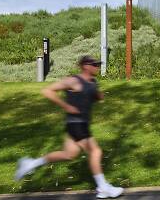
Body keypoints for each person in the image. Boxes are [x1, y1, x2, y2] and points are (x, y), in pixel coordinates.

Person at [14, 56, 124, 199]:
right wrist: (66, 106)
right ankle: (103, 187)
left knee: (69, 154)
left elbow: (91, 95)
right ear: (85, 66)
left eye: (98, 64)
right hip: (76, 123)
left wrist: (98, 96)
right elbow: (47, 91)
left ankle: (30, 164)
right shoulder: (74, 81)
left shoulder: (93, 82)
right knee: (95, 151)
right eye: (95, 64)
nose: (97, 66)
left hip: (81, 124)